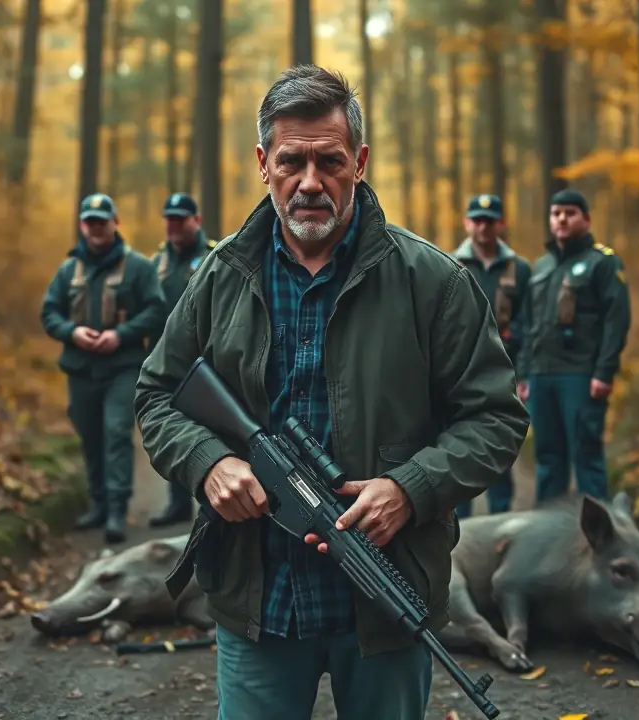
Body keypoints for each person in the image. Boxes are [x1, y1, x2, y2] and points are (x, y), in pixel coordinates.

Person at [133, 65, 528, 720]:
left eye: (331, 161)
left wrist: (410, 488)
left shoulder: (433, 282)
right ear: (264, 163)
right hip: (258, 599)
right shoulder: (221, 275)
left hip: (386, 601)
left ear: (360, 163)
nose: (310, 182)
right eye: (292, 161)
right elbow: (156, 394)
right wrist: (210, 464)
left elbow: (495, 418)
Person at [40, 193, 167, 544]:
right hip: (81, 370)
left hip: (122, 368)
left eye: (102, 221)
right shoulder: (69, 270)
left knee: (116, 432)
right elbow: (49, 313)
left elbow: (156, 309)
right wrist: (72, 332)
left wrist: (120, 335)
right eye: (90, 222)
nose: (96, 228)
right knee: (90, 435)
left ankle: (116, 510)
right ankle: (97, 504)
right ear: (83, 226)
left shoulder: (138, 267)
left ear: (115, 223)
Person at [520, 188, 631, 505]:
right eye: (556, 213)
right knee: (547, 458)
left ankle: (598, 530)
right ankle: (548, 529)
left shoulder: (602, 262)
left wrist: (604, 371)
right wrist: (524, 373)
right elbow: (528, 325)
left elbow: (616, 319)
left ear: (587, 219)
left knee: (586, 455)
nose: (562, 219)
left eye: (570, 213)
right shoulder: (541, 266)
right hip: (542, 376)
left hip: (581, 375)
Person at [449, 193, 531, 518]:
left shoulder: (519, 269)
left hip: (504, 372)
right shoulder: (448, 265)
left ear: (501, 224)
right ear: (467, 223)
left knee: (498, 443)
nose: (483, 227)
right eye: (477, 220)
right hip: (459, 372)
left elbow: (530, 324)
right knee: (458, 445)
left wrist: (524, 374)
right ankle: (462, 529)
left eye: (490, 221)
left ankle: (500, 524)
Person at [148, 192, 217, 528]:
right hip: (171, 361)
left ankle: (214, 504)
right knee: (174, 428)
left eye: (181, 219)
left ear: (197, 220)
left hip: (209, 363)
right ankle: (177, 504)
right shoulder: (156, 264)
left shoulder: (215, 256)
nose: (174, 225)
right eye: (170, 219)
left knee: (214, 430)